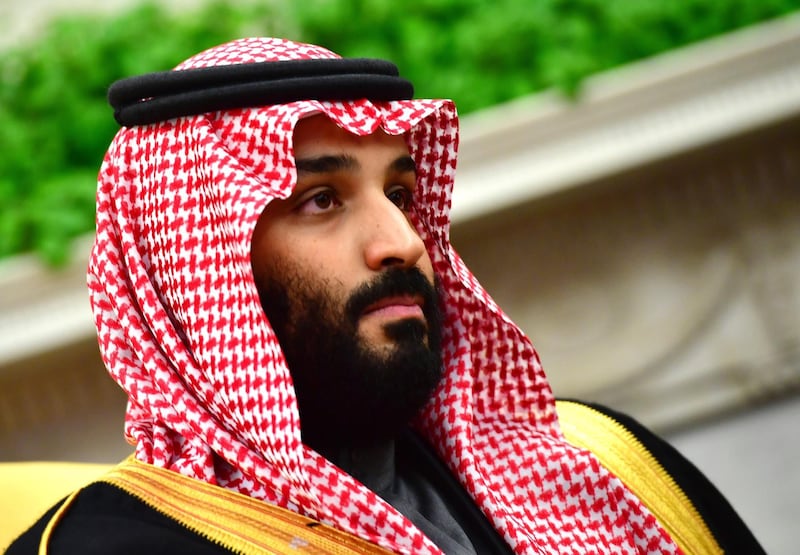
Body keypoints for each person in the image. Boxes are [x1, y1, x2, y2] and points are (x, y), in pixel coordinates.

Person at [7, 37, 765, 554]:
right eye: (321, 201)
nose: (401, 240)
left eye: (399, 190)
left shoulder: (610, 466)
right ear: (193, 269)